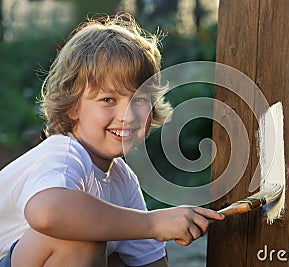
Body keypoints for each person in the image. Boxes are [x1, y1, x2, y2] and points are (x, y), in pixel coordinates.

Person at [0, 13, 224, 267]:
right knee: (79, 234)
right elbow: (48, 214)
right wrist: (153, 223)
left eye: (139, 100)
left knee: (119, 253)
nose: (128, 116)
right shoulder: (62, 156)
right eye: (108, 100)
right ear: (73, 107)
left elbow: (150, 262)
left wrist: (167, 225)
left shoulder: (123, 179)